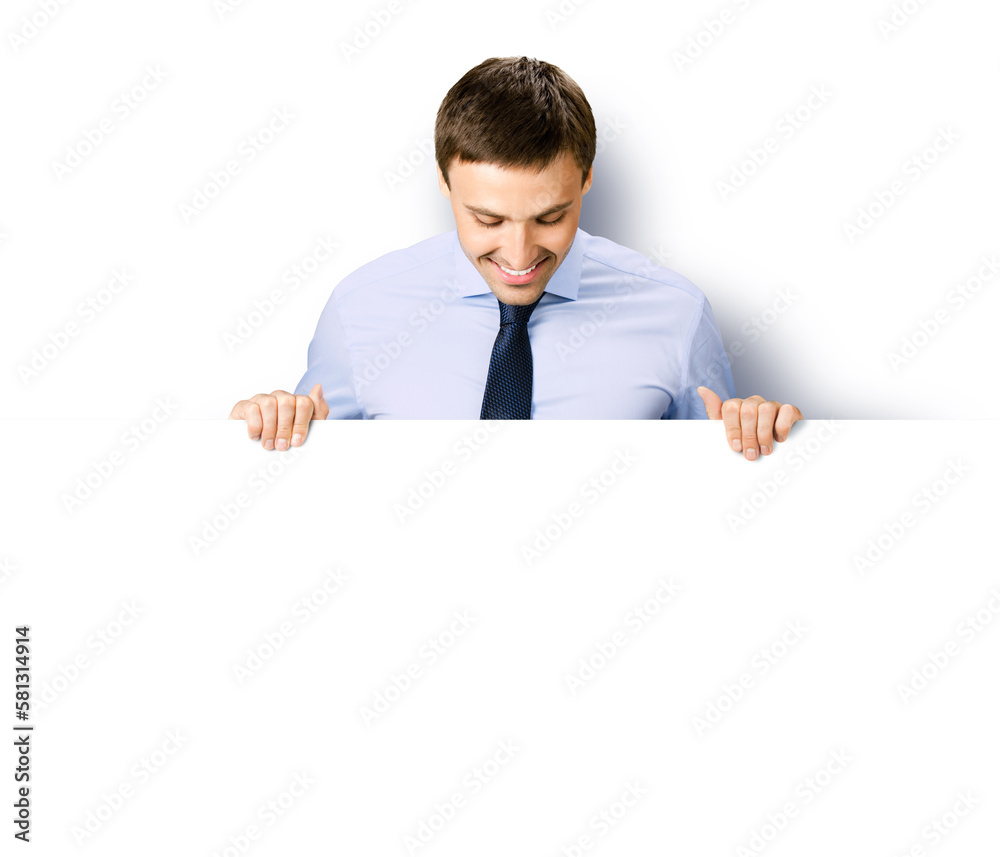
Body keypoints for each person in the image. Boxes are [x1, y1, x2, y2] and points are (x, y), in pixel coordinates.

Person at [229, 56, 802, 461]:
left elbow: (719, 489)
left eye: (551, 217)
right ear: (444, 183)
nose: (520, 255)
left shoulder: (675, 314)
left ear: (586, 179)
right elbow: (304, 480)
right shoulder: (363, 308)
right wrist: (269, 427)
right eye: (487, 220)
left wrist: (760, 433)